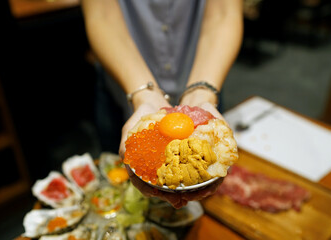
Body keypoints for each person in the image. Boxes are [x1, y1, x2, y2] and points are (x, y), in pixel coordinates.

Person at [81, 0, 243, 208]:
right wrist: (144, 96)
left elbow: (223, 13)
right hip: (121, 79)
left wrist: (201, 93)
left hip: (205, 67)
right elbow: (102, 15)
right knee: (117, 185)